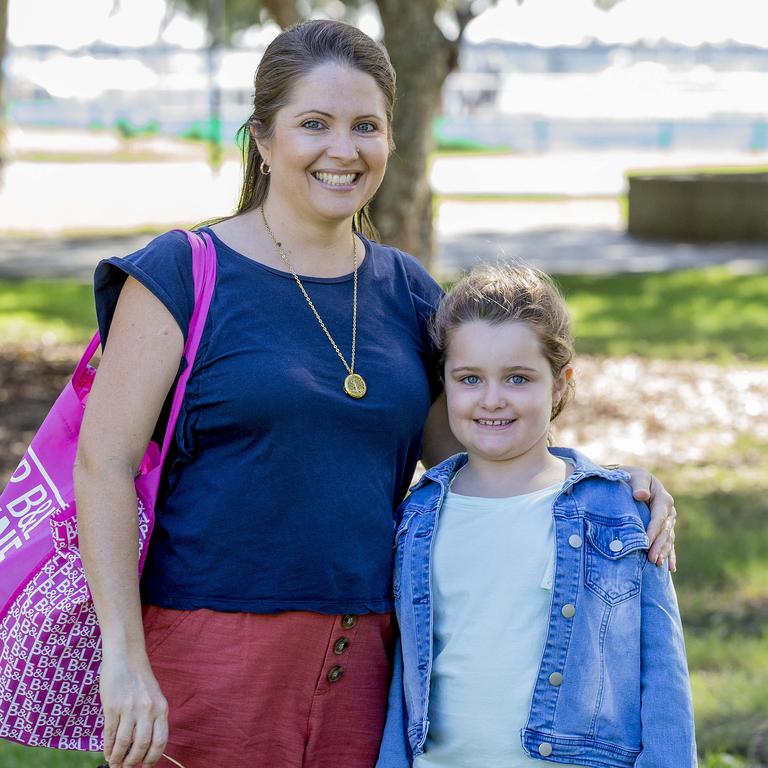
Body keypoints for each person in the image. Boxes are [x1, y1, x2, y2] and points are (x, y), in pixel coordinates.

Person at [74, 20, 677, 768]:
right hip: (209, 659)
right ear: (263, 139)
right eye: (314, 124)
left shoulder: (409, 292)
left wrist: (608, 488)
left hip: (374, 669)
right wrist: (124, 661)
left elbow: (481, 457)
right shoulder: (179, 273)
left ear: (391, 139)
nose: (343, 148)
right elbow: (102, 463)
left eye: (366, 126)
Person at [375, 264, 696, 768]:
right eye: (470, 378)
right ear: (445, 382)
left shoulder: (616, 513)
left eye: (518, 378)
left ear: (560, 382)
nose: (492, 399)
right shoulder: (418, 515)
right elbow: (402, 676)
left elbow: (662, 677)